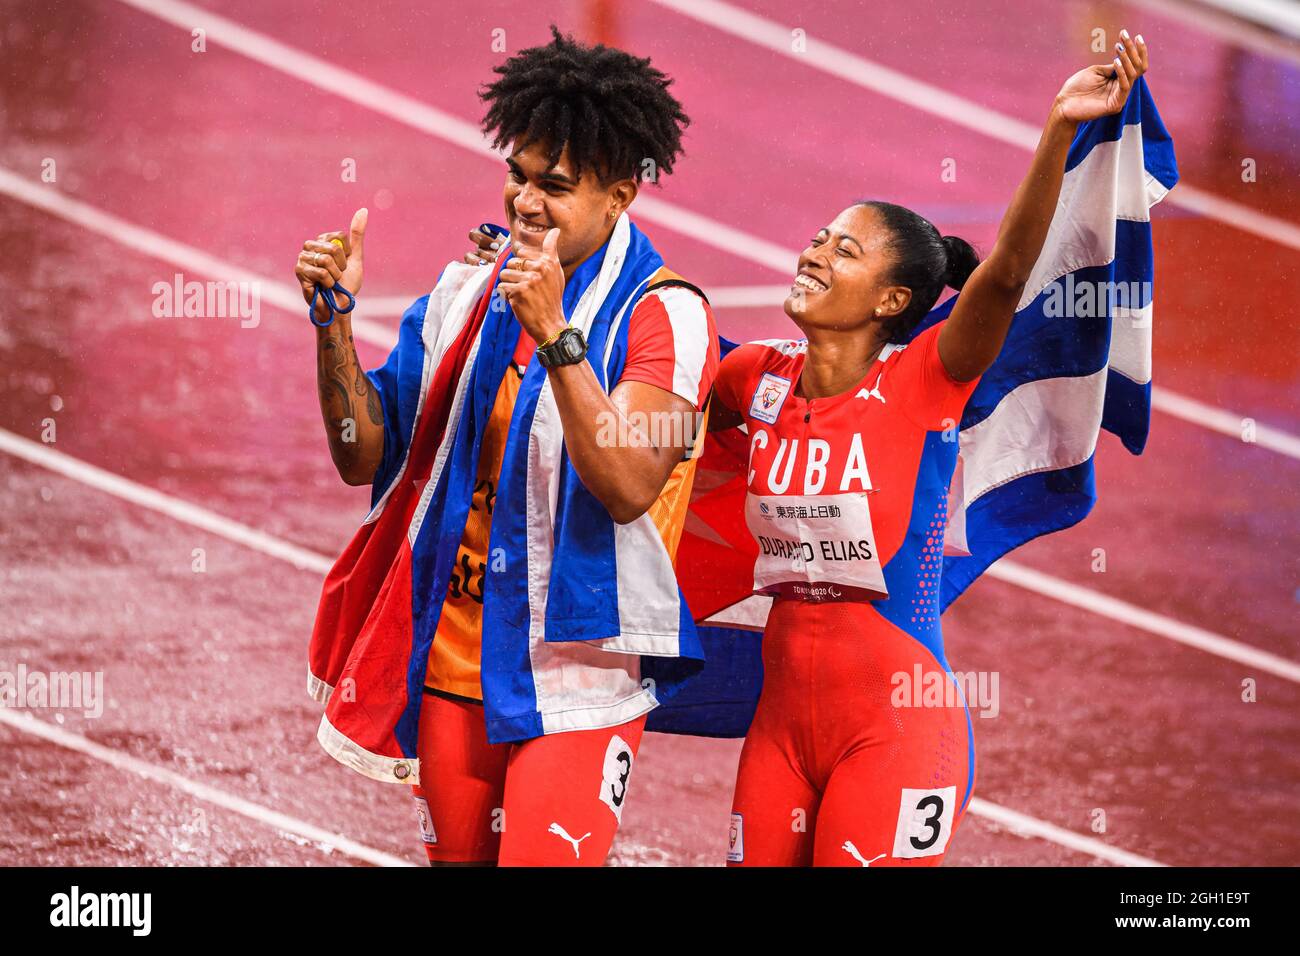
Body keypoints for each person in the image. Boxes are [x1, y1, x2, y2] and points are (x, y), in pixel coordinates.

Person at [471, 29, 1153, 867]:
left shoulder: (927, 378)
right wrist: (543, 283)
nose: (815, 253)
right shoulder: (751, 380)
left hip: (897, 727)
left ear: (893, 297)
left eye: (846, 251)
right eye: (821, 237)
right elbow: (639, 401)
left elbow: (1006, 277)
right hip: (782, 731)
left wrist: (1057, 128)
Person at [296, 26, 718, 866]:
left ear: (621, 196)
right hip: (456, 656)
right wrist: (333, 325)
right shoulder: (463, 295)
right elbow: (360, 452)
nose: (525, 203)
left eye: (554, 187)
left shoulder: (666, 316)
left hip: (578, 676)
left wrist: (557, 336)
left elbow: (630, 479)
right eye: (517, 176)